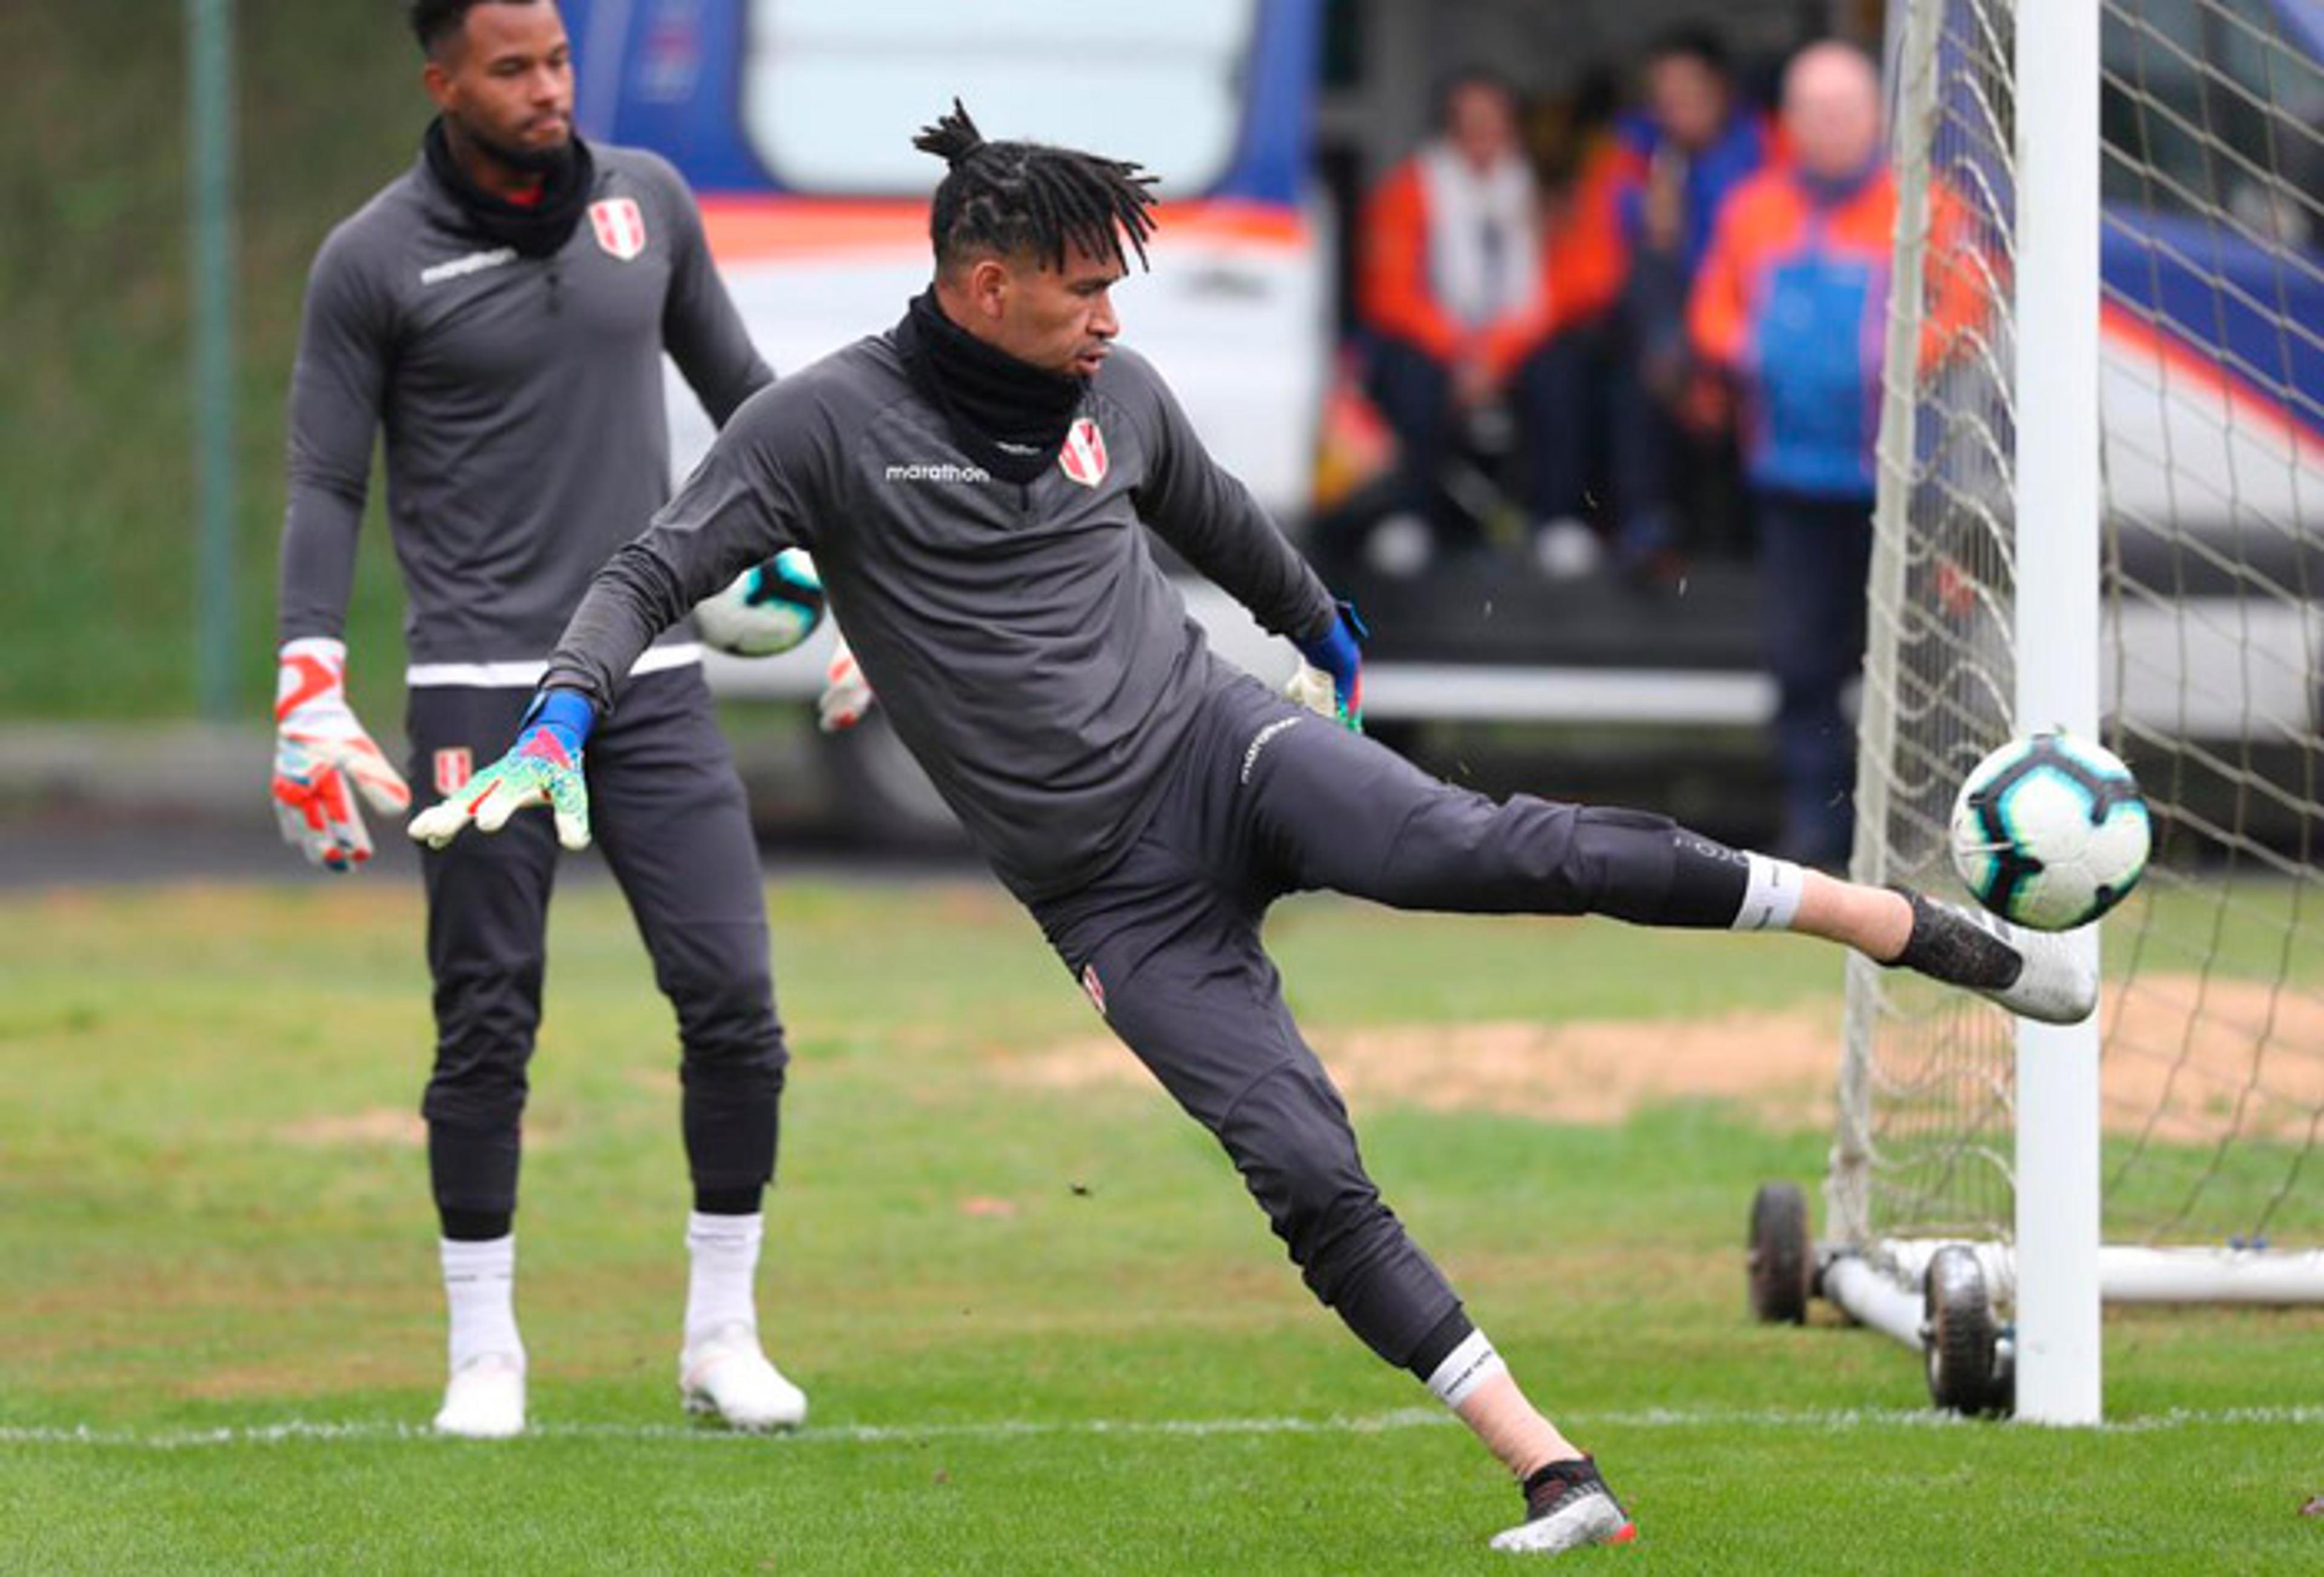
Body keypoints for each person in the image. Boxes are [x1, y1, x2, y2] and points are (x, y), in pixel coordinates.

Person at [414, 101, 2092, 1553]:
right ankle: (1556, 1470)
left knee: (1496, 851)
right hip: (1114, 903)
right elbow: (648, 567)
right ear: (984, 286)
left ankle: (1896, 923)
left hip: (1231, 752)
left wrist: (1331, 638)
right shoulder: (825, 428)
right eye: (1081, 291)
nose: (1107, 319)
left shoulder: (1118, 394)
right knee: (1299, 1163)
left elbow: (1232, 532)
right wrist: (564, 705)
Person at [271, 0, 803, 1439]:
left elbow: (751, 409)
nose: (547, 89)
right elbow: (327, 481)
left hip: (652, 675)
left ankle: (720, 1334)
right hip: (479, 690)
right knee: (488, 1022)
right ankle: (485, 1353)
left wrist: (855, 578)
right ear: (441, 80)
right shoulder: (372, 259)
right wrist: (305, 671)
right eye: (511, 69)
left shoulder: (651, 203)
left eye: (559, 60)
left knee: (736, 1007)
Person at [1688, 41, 1985, 867]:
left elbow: (1969, 304)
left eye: (1845, 111)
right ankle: (1818, 829)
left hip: (1899, 485)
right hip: (1790, 481)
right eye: (1813, 113)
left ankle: (1915, 830)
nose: (1829, 128)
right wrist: (1759, 352)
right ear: (1789, 123)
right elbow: (1711, 310)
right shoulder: (1754, 209)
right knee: (1800, 662)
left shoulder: (1926, 207)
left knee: (1912, 658)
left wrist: (1893, 360)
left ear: (1876, 119)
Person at [1353, 70, 1595, 576]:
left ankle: (1560, 521)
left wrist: (1496, 353)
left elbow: (1572, 284)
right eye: (1471, 125)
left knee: (1565, 371)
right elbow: (1390, 292)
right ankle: (1410, 518)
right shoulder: (1410, 188)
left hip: (1519, 341)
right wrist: (1457, 348)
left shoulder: (1544, 190)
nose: (1484, 137)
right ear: (1449, 129)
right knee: (1409, 374)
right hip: (1440, 341)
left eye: (1496, 124)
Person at [1598, 29, 1774, 580]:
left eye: (1688, 91)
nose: (1675, 107)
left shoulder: (1769, 151)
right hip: (1659, 343)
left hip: (1746, 326)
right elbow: (1594, 265)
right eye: (1663, 94)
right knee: (1632, 373)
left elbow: (1774, 256)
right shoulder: (1631, 155)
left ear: (1721, 90)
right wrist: (1649, 225)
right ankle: (1647, 529)